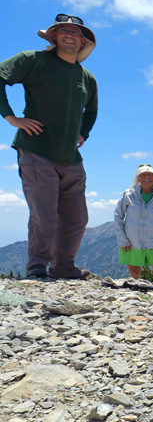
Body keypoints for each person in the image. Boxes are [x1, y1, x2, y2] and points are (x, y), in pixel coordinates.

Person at [0, 14, 98, 279]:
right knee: (44, 214)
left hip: (70, 156)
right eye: (63, 30)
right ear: (53, 35)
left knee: (77, 218)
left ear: (81, 41)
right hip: (36, 150)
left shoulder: (85, 77)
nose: (69, 35)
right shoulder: (33, 60)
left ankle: (63, 266)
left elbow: (91, 110)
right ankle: (37, 266)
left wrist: (83, 132)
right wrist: (12, 118)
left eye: (75, 32)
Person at [114, 164, 153, 282]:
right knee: (134, 273)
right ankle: (135, 297)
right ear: (138, 178)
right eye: (143, 175)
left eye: (150, 174)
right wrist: (122, 240)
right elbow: (118, 217)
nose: (147, 177)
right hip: (131, 242)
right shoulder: (128, 195)